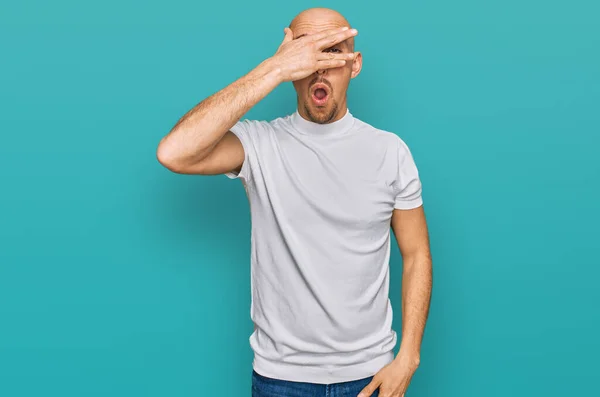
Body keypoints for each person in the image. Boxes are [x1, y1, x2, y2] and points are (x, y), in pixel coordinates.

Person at [156, 7, 432, 397]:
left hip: (371, 377)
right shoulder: (259, 144)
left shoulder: (390, 151)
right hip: (281, 380)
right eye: (307, 52)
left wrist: (409, 357)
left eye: (332, 51)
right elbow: (173, 152)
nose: (319, 68)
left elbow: (417, 252)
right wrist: (273, 68)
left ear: (355, 64)